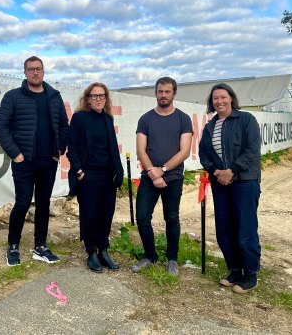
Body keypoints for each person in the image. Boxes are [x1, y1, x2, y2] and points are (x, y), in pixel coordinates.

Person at [0, 56, 69, 267]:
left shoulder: (54, 97)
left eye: (38, 69)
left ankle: (40, 247)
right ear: (25, 72)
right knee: (23, 202)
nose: (35, 73)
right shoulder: (13, 97)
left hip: (48, 160)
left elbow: (64, 126)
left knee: (44, 203)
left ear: (43, 72)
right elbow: (1, 126)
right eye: (30, 69)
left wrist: (59, 150)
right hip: (24, 161)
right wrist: (16, 154)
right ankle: (13, 246)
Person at [198, 83, 261, 293]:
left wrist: (231, 170)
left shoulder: (246, 120)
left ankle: (250, 275)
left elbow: (252, 150)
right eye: (215, 98)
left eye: (223, 97)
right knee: (224, 228)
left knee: (245, 228)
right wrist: (217, 172)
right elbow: (204, 154)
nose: (219, 101)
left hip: (244, 181)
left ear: (231, 98)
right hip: (220, 184)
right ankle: (234, 270)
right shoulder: (209, 127)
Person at [131, 77, 192, 277]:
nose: (163, 95)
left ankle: (172, 259)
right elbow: (141, 150)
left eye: (167, 92)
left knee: (171, 218)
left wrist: (163, 170)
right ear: (156, 93)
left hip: (173, 177)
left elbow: (184, 151)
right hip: (149, 177)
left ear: (174, 93)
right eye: (160, 91)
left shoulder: (183, 119)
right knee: (142, 217)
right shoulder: (146, 119)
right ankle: (150, 256)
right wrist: (153, 172)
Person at [67, 83, 124, 272]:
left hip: (108, 175)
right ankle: (91, 251)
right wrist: (79, 171)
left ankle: (104, 250)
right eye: (94, 96)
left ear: (106, 98)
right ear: (88, 99)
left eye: (102, 96)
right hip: (88, 175)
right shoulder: (79, 118)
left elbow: (112, 148)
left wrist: (118, 171)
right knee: (90, 214)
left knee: (106, 214)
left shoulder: (107, 119)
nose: (98, 99)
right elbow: (72, 148)